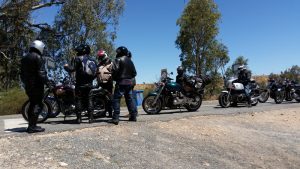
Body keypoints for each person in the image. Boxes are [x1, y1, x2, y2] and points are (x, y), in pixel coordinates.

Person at [20, 40, 49, 133]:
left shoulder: (24, 58)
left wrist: (26, 83)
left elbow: (21, 74)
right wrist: (48, 83)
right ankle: (32, 127)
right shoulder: (38, 57)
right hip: (37, 85)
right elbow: (42, 73)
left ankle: (31, 125)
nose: (43, 50)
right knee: (38, 104)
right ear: (39, 46)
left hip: (28, 85)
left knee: (32, 103)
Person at [64, 44, 96, 123]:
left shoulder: (77, 59)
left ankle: (79, 119)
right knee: (89, 100)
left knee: (78, 100)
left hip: (80, 84)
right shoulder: (93, 60)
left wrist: (66, 67)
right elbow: (95, 72)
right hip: (89, 84)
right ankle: (91, 118)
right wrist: (90, 80)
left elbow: (72, 69)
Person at [109, 46, 137, 125]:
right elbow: (135, 73)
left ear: (119, 52)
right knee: (129, 99)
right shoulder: (130, 61)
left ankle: (115, 118)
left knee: (116, 99)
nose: (116, 53)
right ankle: (133, 116)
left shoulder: (117, 60)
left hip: (121, 82)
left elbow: (114, 70)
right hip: (129, 83)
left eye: (117, 52)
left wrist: (115, 77)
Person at [96, 49, 113, 118]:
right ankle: (103, 112)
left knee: (109, 98)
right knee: (102, 98)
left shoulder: (110, 62)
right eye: (99, 57)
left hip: (108, 83)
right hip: (101, 83)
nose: (100, 58)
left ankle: (110, 113)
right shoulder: (99, 64)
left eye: (101, 56)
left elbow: (113, 72)